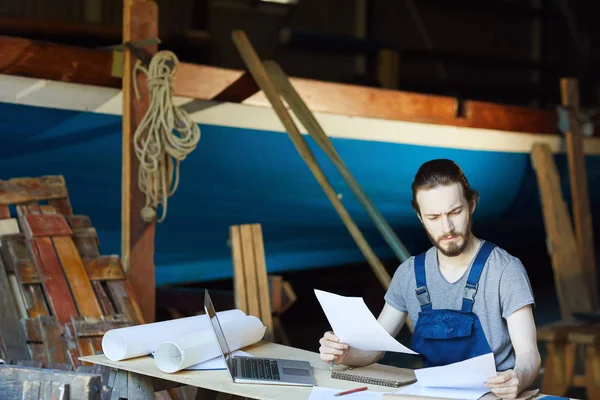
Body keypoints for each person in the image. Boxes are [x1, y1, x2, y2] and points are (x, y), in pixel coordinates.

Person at [318, 159, 540, 399]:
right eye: (433, 217)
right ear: (420, 216)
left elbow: (529, 354)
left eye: (455, 212)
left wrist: (518, 376)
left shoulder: (505, 270)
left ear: (472, 204)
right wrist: (344, 353)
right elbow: (374, 350)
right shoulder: (409, 273)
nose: (447, 227)